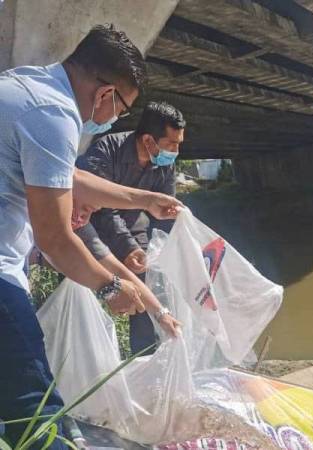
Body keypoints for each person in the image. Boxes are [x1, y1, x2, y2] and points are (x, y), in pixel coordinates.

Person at [0, 25, 180, 448]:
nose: (116, 119)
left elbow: (67, 175)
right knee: (36, 414)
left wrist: (143, 199)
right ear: (105, 95)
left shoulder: (24, 85)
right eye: (122, 108)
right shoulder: (54, 116)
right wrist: (109, 287)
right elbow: (55, 239)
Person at [76, 101, 185, 354]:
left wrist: (175, 241)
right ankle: (89, 352)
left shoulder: (165, 163)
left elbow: (163, 211)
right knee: (82, 283)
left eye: (179, 144)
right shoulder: (105, 150)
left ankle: (144, 354)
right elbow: (99, 208)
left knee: (144, 278)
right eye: (171, 144)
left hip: (135, 222)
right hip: (90, 220)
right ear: (148, 141)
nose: (176, 151)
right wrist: (127, 247)